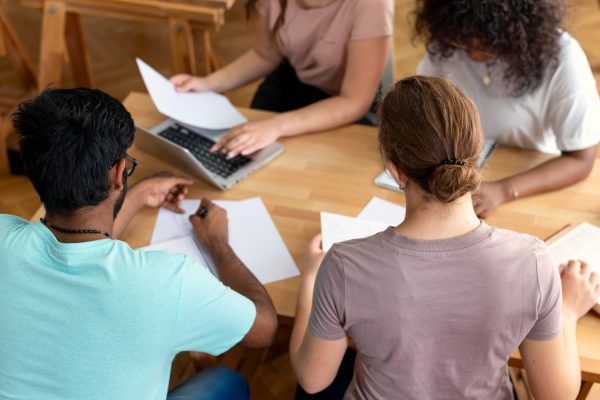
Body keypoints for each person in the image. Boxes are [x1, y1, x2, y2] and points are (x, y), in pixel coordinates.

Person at [289, 76, 600, 399]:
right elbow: (557, 396)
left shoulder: (342, 266)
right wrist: (566, 311)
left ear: (395, 171)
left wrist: (311, 280)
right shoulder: (532, 261)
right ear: (476, 155)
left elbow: (313, 379)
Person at [0, 88, 278, 400]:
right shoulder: (167, 282)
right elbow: (264, 329)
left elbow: (79, 244)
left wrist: (139, 195)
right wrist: (217, 244)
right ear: (118, 172)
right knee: (227, 381)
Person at [414, 0, 600, 218]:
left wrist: (503, 190)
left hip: (530, 184)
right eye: (464, 39)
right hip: (461, 181)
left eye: (485, 40)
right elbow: (425, 115)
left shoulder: (562, 57)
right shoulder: (449, 45)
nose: (472, 52)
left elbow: (581, 159)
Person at [170, 0, 393, 159]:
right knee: (245, 154)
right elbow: (265, 54)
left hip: (346, 103)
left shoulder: (372, 4)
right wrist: (208, 83)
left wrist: (277, 126)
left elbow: (354, 101)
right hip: (291, 80)